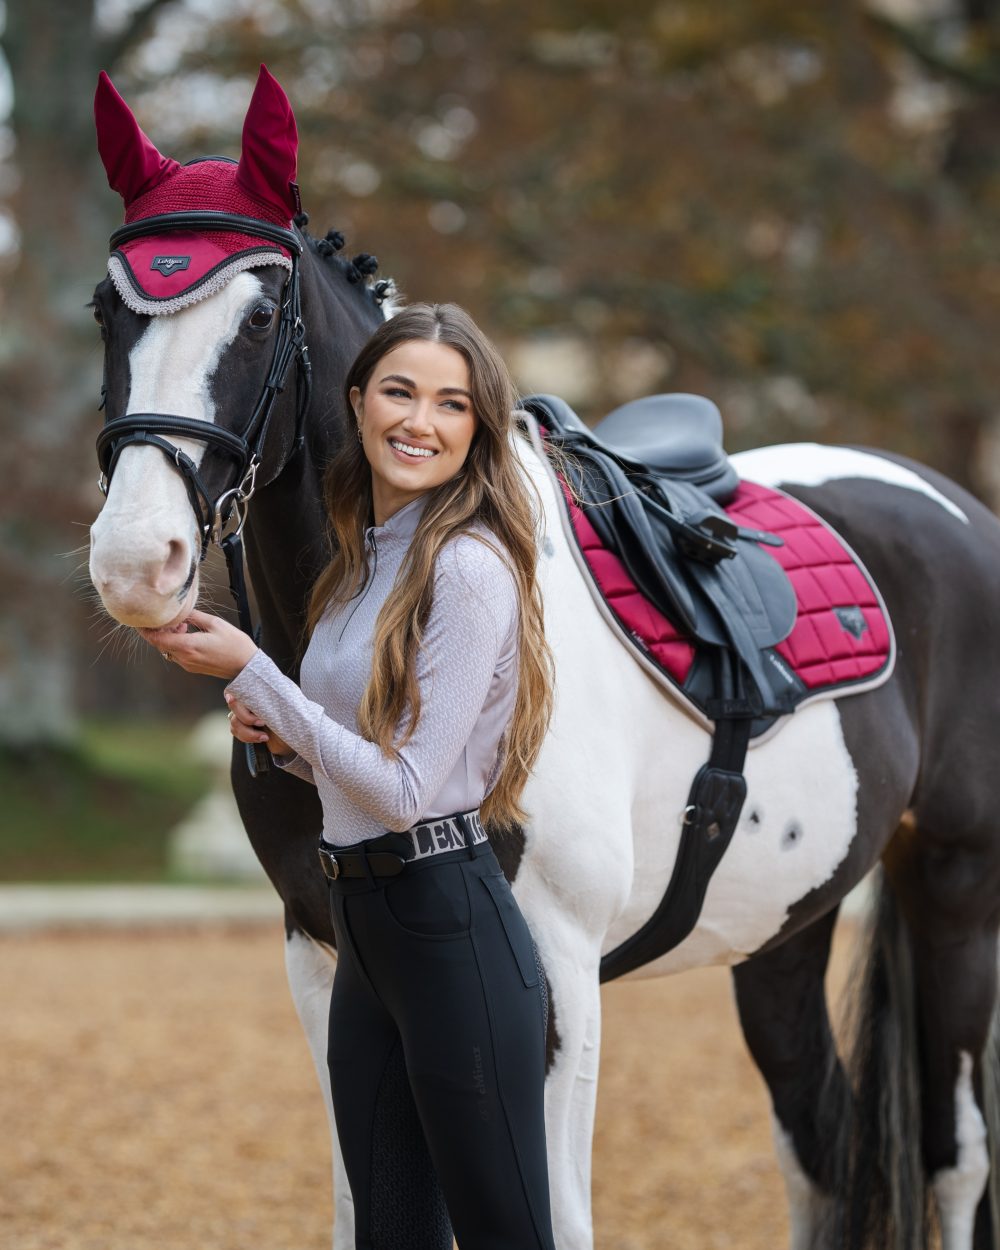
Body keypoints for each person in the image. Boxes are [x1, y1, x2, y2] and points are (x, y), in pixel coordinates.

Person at [140, 302, 557, 1250]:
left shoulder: (469, 567)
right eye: (401, 392)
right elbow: (356, 754)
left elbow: (409, 790)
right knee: (391, 1235)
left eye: (452, 404)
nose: (421, 421)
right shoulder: (362, 560)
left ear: (477, 430)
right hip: (365, 931)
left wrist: (257, 674)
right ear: (358, 400)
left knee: (507, 1236)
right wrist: (280, 734)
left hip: (450, 928)